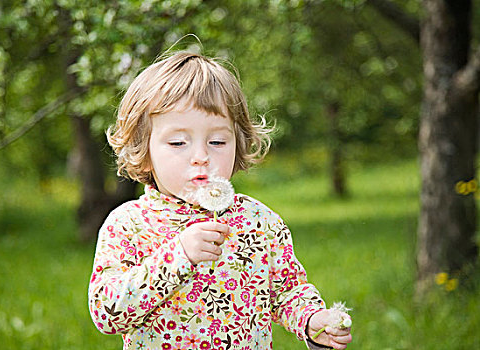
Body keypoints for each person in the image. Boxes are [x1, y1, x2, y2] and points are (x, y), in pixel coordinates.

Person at [88, 52, 352, 350]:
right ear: (143, 150)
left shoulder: (259, 222)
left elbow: (286, 291)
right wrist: (178, 256)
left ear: (237, 143)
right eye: (178, 143)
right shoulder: (129, 225)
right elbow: (107, 313)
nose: (201, 156)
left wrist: (311, 320)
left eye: (217, 142)